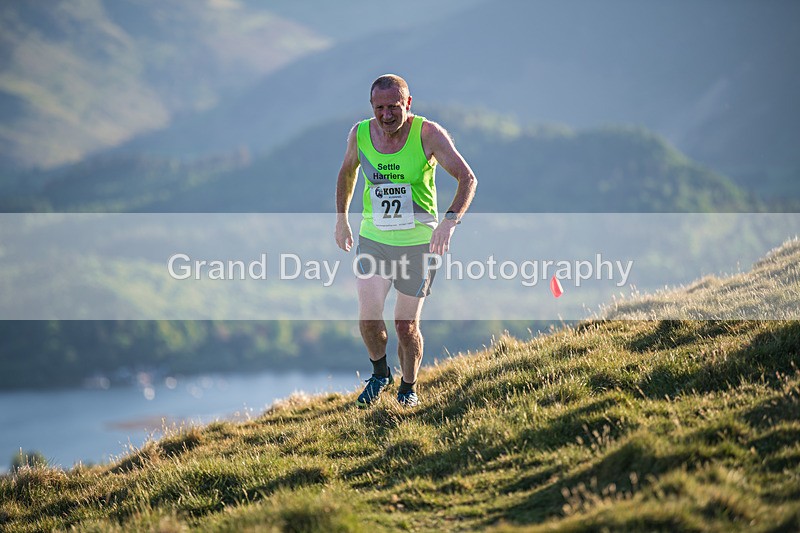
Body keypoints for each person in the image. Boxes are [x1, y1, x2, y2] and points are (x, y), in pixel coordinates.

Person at [334, 74, 478, 407]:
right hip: (374, 239)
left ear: (408, 104)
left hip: (419, 244)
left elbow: (467, 178)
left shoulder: (428, 134)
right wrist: (341, 218)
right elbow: (347, 171)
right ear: (372, 106)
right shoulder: (359, 134)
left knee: (404, 325)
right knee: (369, 317)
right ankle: (380, 373)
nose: (386, 115)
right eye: (379, 107)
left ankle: (408, 387)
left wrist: (450, 222)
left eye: (394, 107)